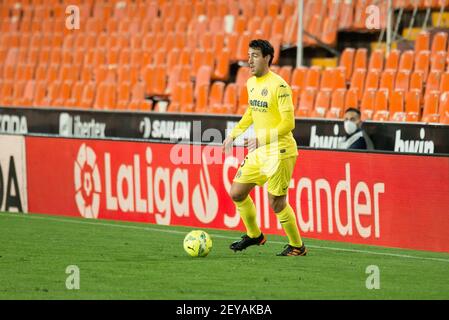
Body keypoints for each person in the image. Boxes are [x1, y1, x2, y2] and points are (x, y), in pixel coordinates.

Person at [222, 39, 306, 257]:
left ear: (267, 58)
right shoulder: (251, 83)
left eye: (255, 55)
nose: (249, 60)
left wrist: (261, 139)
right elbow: (251, 112)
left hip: (280, 150)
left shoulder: (279, 86)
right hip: (261, 151)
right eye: (248, 55)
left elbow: (289, 123)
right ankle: (254, 235)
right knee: (237, 192)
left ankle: (297, 246)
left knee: (276, 203)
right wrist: (233, 134)